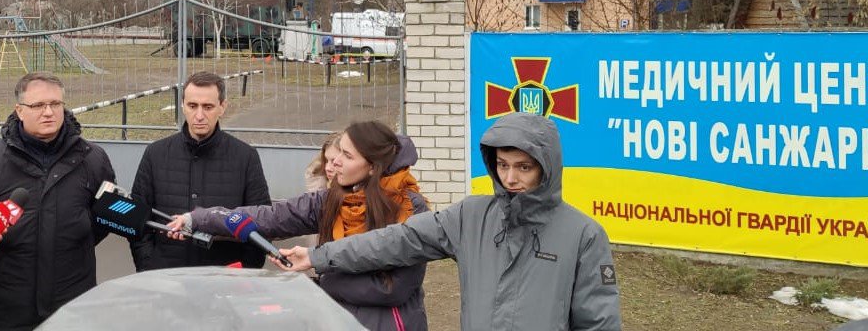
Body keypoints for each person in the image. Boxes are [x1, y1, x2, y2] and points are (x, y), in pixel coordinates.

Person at [279, 112, 622, 331]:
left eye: (524, 167)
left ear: (547, 166)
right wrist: (318, 257)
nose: (511, 177)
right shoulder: (471, 216)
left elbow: (598, 321)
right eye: (503, 165)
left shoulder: (583, 235)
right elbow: (396, 240)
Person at [167, 121, 429, 331]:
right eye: (338, 152)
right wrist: (199, 218)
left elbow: (392, 289)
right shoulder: (332, 199)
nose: (334, 162)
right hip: (335, 320)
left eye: (346, 156)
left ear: (372, 167)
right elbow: (271, 217)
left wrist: (323, 276)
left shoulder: (411, 209)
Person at [0, 72, 117, 331]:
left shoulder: (93, 159)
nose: (48, 112)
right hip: (4, 312)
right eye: (38, 105)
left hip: (72, 309)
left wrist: (70, 237)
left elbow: (102, 222)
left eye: (55, 104)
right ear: (19, 110)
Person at [130, 71, 271, 271]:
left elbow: (260, 223)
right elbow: (137, 220)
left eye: (208, 107)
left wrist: (245, 272)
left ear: (223, 107)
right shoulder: (156, 154)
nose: (199, 116)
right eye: (192, 106)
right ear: (182, 105)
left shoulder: (245, 157)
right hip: (165, 279)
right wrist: (149, 265)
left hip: (225, 281)